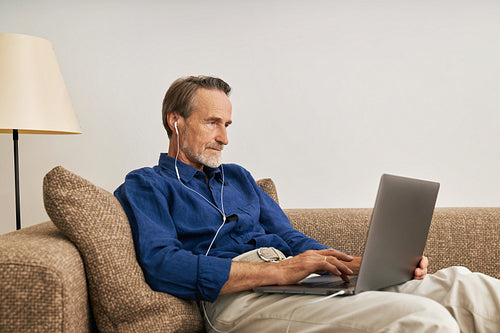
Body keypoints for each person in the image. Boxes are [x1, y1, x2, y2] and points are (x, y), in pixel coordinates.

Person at [115, 75, 500, 332]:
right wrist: (279, 273)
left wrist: (355, 264)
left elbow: (289, 237)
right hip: (237, 299)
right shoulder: (146, 185)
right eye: (212, 123)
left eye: (228, 126)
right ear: (175, 121)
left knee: (467, 285)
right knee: (422, 319)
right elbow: (162, 264)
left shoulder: (238, 178)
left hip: (296, 281)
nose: (224, 139)